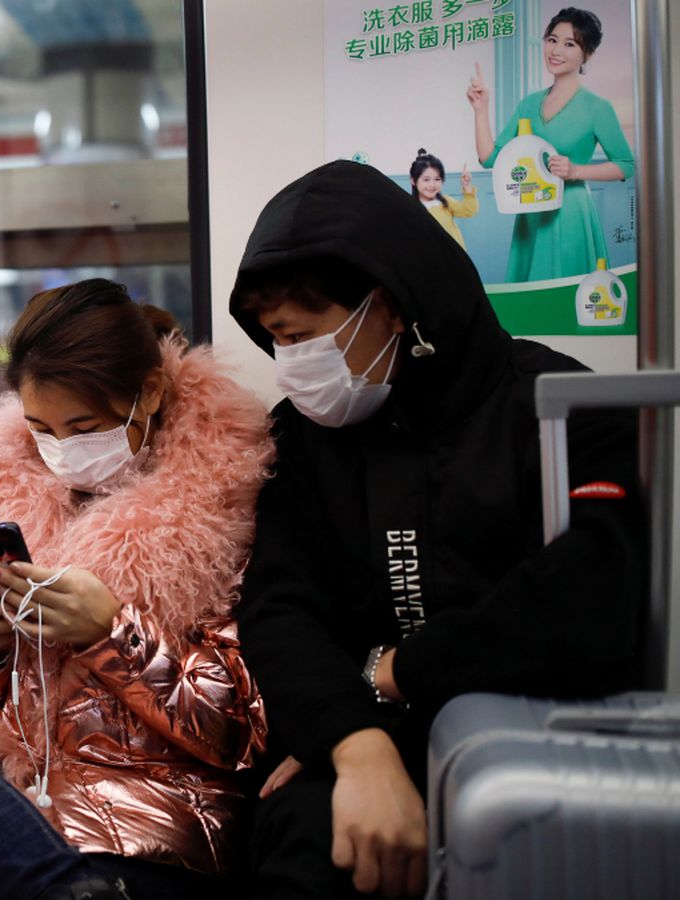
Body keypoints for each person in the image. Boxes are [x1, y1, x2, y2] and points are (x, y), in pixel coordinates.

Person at [228, 160, 645, 899]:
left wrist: (398, 672)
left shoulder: (559, 406)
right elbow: (279, 609)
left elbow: (590, 592)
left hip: (533, 733)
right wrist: (356, 747)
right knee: (304, 834)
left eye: (301, 336)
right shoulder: (301, 439)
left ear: (387, 306)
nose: (290, 365)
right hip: (360, 735)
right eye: (276, 342)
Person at [0, 279, 273, 899]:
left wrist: (111, 633)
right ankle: (58, 891)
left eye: (83, 427)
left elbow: (241, 729)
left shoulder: (227, 510)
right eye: (42, 428)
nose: (62, 451)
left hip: (149, 833)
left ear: (146, 394)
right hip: (12, 813)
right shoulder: (15, 498)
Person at [467, 7, 635, 281]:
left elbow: (626, 165)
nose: (556, 50)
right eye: (552, 40)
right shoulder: (528, 104)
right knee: (531, 305)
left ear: (587, 54)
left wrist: (576, 171)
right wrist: (481, 109)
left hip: (570, 212)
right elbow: (490, 158)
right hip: (531, 213)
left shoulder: (597, 108)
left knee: (568, 299)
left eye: (569, 44)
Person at [408, 149, 476, 248]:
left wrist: (467, 186)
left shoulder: (446, 202)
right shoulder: (410, 207)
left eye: (437, 179)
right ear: (413, 181)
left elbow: (469, 210)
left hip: (453, 257)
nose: (432, 184)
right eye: (426, 180)